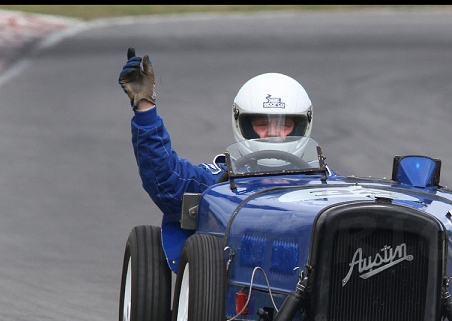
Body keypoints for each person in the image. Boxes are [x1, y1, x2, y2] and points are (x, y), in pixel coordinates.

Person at [118, 47, 314, 221]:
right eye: (263, 123)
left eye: (284, 124)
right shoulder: (216, 179)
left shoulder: (324, 183)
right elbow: (165, 180)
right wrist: (145, 108)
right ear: (242, 123)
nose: (273, 132)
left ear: (302, 125)